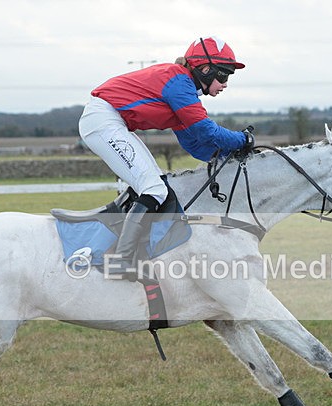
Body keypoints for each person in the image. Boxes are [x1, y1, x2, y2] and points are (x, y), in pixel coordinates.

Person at [78, 36, 254, 280]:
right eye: (223, 76)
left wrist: (226, 154)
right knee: (153, 188)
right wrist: (242, 141)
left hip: (109, 121)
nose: (225, 84)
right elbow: (207, 130)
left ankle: (116, 245)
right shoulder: (179, 84)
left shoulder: (183, 89)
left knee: (155, 184)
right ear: (205, 69)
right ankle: (121, 259)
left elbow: (194, 143)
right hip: (104, 121)